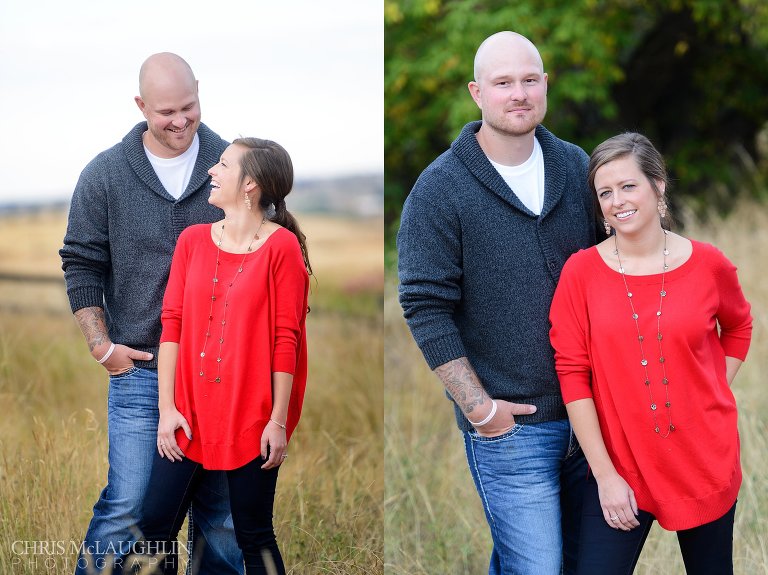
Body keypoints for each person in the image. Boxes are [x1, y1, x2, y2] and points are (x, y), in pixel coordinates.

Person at [397, 31, 597, 574]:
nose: (519, 93)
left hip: (594, 420)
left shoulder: (576, 167)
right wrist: (480, 410)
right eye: (503, 82)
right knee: (536, 568)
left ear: (546, 86)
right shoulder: (440, 189)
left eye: (530, 80)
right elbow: (423, 305)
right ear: (476, 92)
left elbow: (616, 268)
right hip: (511, 430)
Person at [60, 53, 243, 574]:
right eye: (167, 112)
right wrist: (101, 346)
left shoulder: (233, 163)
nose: (181, 120)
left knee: (222, 519)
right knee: (129, 510)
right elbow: (80, 261)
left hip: (223, 375)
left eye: (190, 106)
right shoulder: (105, 174)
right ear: (141, 106)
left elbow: (265, 248)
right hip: (140, 373)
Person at [549, 132, 752, 574]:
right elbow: (572, 373)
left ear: (658, 186)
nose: (617, 200)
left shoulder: (708, 264)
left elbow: (738, 326)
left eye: (628, 186)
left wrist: (712, 386)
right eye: (605, 192)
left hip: (704, 459)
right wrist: (605, 476)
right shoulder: (580, 273)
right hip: (622, 468)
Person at [128, 137, 309, 575]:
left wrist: (277, 421)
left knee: (252, 533)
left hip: (252, 417)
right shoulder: (192, 241)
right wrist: (167, 408)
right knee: (154, 525)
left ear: (250, 184)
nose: (212, 170)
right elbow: (172, 323)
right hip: (188, 415)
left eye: (224, 165)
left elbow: (288, 340)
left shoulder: (282, 248)